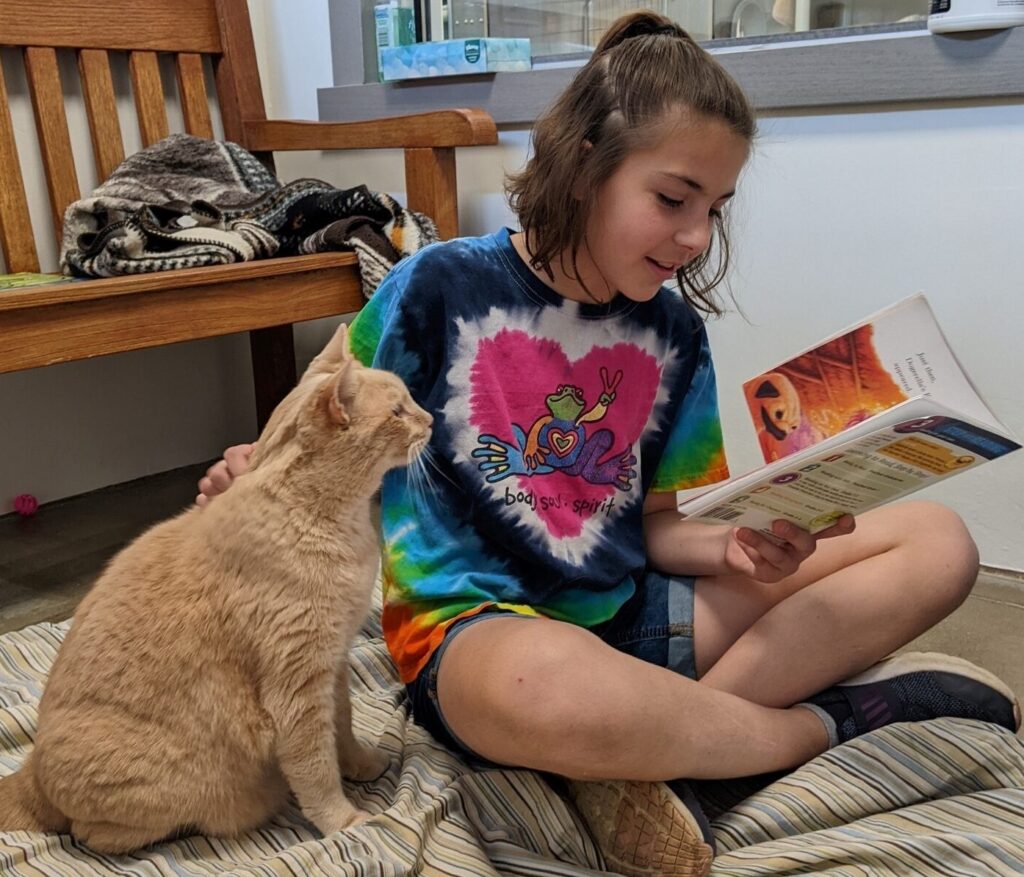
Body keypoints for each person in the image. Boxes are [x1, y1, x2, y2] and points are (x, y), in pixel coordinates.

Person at [197, 12, 1019, 877]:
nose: (697, 236)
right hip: (479, 637)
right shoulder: (437, 286)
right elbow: (326, 416)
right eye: (673, 200)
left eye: (713, 209)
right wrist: (259, 467)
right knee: (544, 688)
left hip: (634, 614)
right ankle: (817, 725)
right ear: (585, 163)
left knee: (940, 543)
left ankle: (654, 753)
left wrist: (735, 545)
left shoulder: (675, 334)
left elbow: (657, 526)